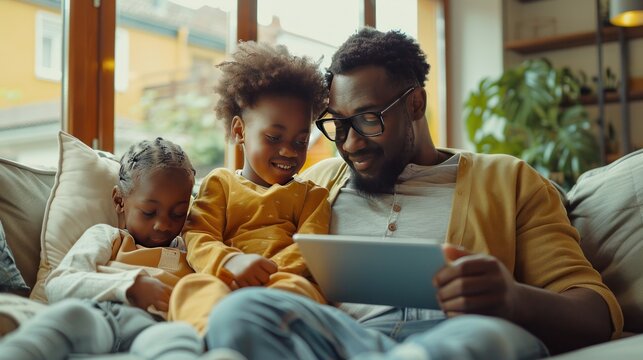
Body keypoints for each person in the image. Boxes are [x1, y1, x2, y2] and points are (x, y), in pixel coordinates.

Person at [203, 28, 624, 359]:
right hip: (346, 338)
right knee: (240, 314)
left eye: (368, 119)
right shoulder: (315, 184)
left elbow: (596, 313)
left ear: (416, 104)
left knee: (484, 337)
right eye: (338, 125)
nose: (349, 144)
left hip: (457, 334)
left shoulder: (508, 179)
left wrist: (514, 300)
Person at [168, 41, 330, 333]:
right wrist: (230, 261)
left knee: (302, 291)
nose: (289, 152)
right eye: (273, 138)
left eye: (300, 141)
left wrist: (265, 275)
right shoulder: (221, 183)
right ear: (240, 130)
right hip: (224, 277)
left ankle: (271, 340)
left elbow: (311, 250)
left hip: (281, 281)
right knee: (193, 288)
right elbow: (198, 234)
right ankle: (208, 343)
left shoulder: (313, 196)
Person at [0, 138, 210, 360]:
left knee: (180, 339)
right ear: (119, 201)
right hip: (103, 315)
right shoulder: (107, 237)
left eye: (178, 213)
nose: (163, 225)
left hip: (155, 328)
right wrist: (128, 286)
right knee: (71, 316)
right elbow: (57, 284)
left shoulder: (191, 249)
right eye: (149, 212)